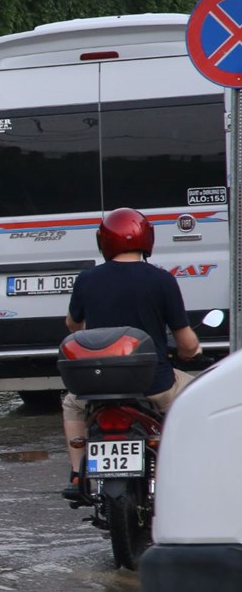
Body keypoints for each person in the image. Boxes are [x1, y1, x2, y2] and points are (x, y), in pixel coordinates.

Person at [60, 207, 200, 501]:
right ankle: (187, 473)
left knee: (73, 405)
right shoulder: (161, 280)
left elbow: (73, 326)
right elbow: (186, 343)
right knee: (197, 397)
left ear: (104, 242)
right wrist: (193, 352)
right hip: (153, 384)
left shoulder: (87, 279)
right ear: (146, 240)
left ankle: (76, 474)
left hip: (96, 386)